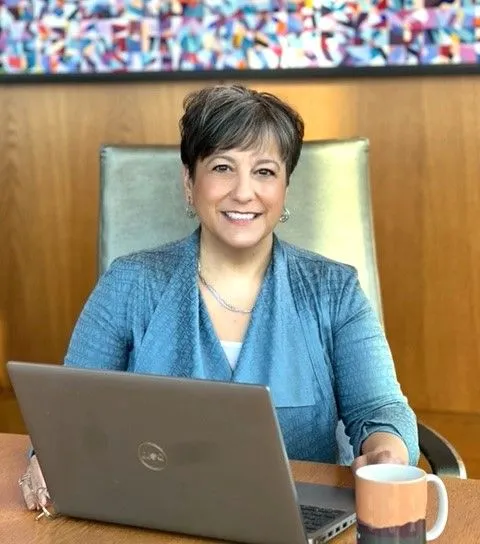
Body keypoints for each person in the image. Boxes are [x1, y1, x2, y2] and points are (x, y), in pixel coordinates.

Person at [20, 84, 419, 513]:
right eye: (223, 167)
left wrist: (387, 452)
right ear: (189, 182)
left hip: (296, 521)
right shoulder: (130, 282)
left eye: (265, 171)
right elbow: (68, 412)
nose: (244, 192)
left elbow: (379, 409)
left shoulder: (334, 290)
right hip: (154, 516)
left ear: (285, 188)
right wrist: (48, 457)